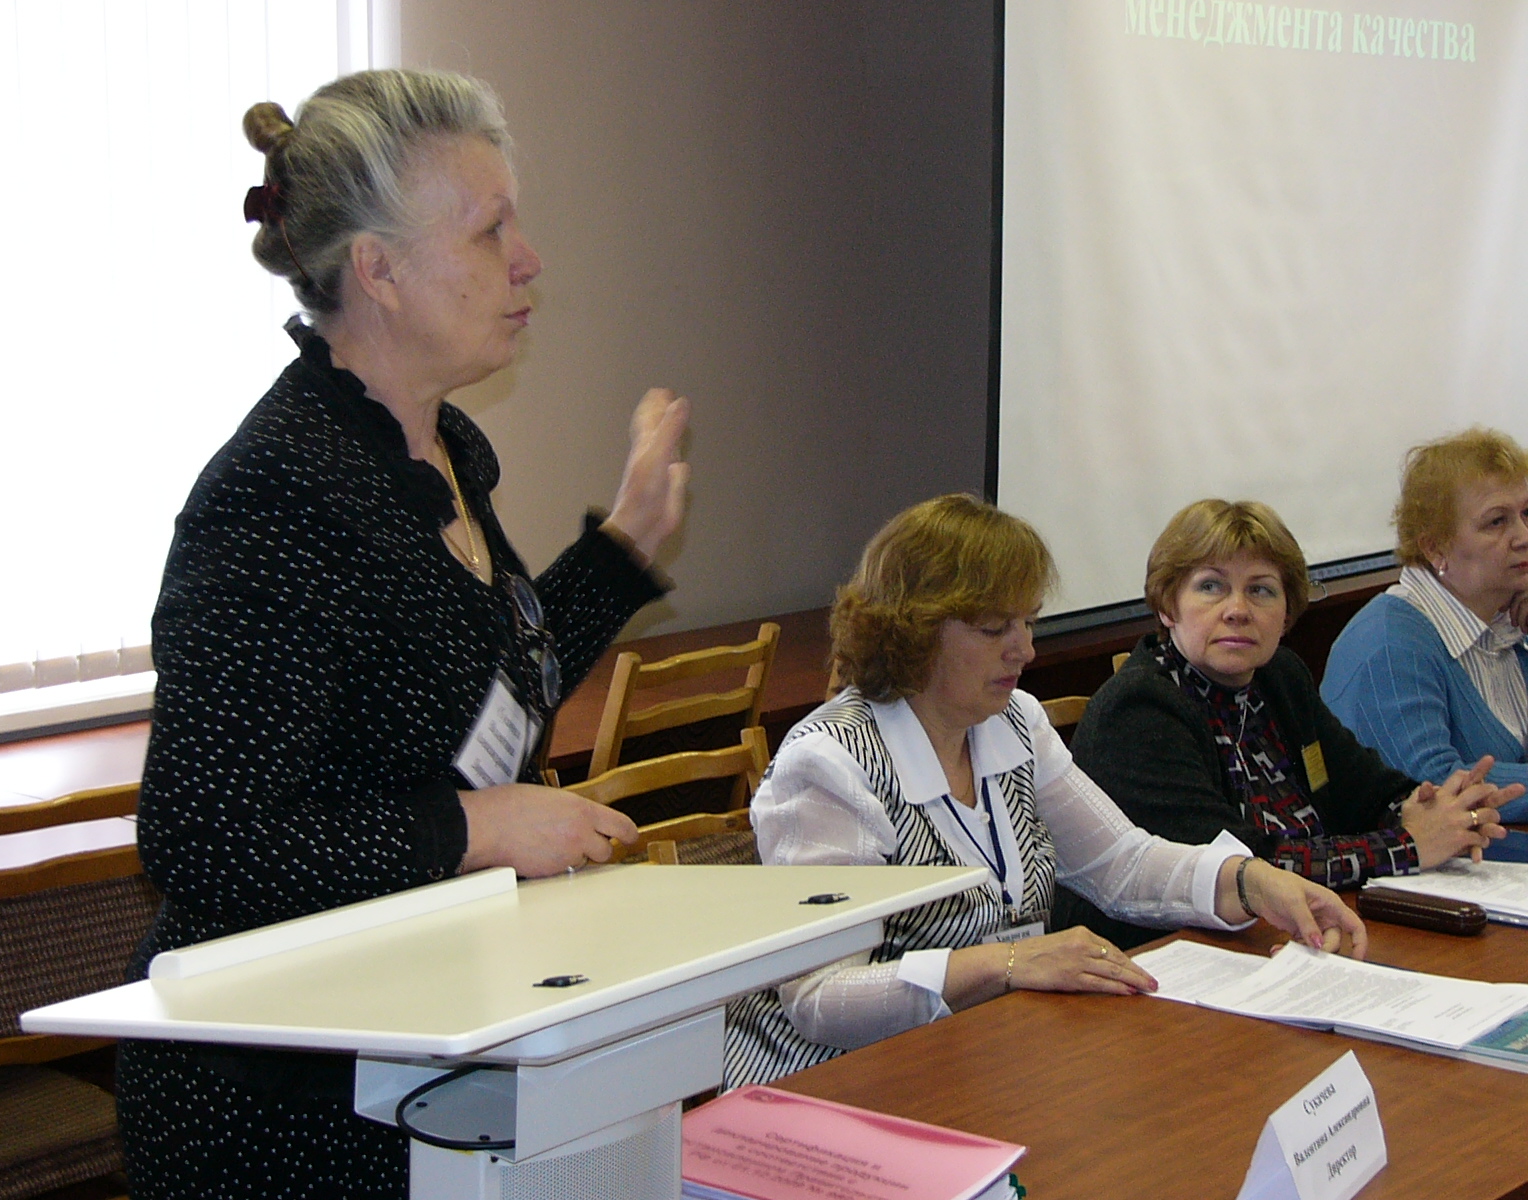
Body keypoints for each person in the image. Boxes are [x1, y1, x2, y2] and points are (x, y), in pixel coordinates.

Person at [117, 70, 689, 1199]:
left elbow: (488, 701)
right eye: (488, 230)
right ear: (377, 270)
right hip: (275, 1101)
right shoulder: (280, 494)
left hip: (413, 1039)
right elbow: (204, 841)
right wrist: (473, 828)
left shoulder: (442, 454)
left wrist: (622, 549)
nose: (527, 259)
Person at [722, 494, 1370, 1089]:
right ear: (913, 630)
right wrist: (1004, 963)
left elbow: (1120, 863)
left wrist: (1251, 881)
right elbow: (819, 999)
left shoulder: (1013, 721)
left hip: (982, 1060)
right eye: (994, 629)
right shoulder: (832, 762)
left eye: (1028, 622)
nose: (1025, 650)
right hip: (830, 1091)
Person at [1061, 500, 1513, 949]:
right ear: (1167, 606)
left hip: (1294, 930)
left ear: (1286, 614)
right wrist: (1409, 847)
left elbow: (1364, 789)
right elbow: (1243, 869)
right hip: (1169, 954)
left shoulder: (1279, 675)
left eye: (1261, 590)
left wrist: (1432, 809)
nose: (1238, 610)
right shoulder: (1139, 709)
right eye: (1211, 587)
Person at [1323, 428, 1528, 822]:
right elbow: (1431, 787)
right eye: (1496, 522)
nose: (1522, 536)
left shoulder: (1506, 619)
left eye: (1526, 514)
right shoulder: (1388, 644)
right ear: (1436, 547)